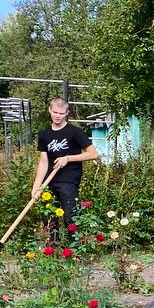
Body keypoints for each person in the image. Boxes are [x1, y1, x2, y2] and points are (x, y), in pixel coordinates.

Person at [32, 97, 98, 231]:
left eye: (61, 113)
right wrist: (36, 186)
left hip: (69, 181)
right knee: (50, 219)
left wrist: (67, 158)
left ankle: (73, 248)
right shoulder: (44, 135)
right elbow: (44, 162)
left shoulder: (75, 132)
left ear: (67, 113)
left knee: (70, 217)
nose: (58, 116)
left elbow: (93, 154)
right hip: (49, 182)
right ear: (49, 110)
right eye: (55, 112)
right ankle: (52, 248)